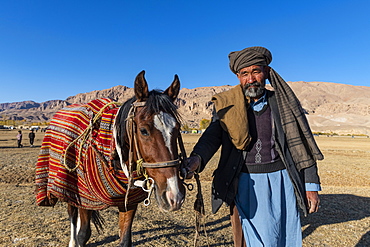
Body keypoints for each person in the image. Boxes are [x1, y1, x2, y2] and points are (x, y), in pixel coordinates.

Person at [185, 46, 323, 247]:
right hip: (243, 182)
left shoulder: (281, 103)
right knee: (246, 240)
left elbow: (301, 144)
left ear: (266, 72)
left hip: (281, 181)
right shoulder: (227, 106)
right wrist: (197, 159)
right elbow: (211, 137)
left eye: (256, 71)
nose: (250, 79)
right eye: (244, 74)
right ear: (238, 77)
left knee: (284, 238)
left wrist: (311, 185)